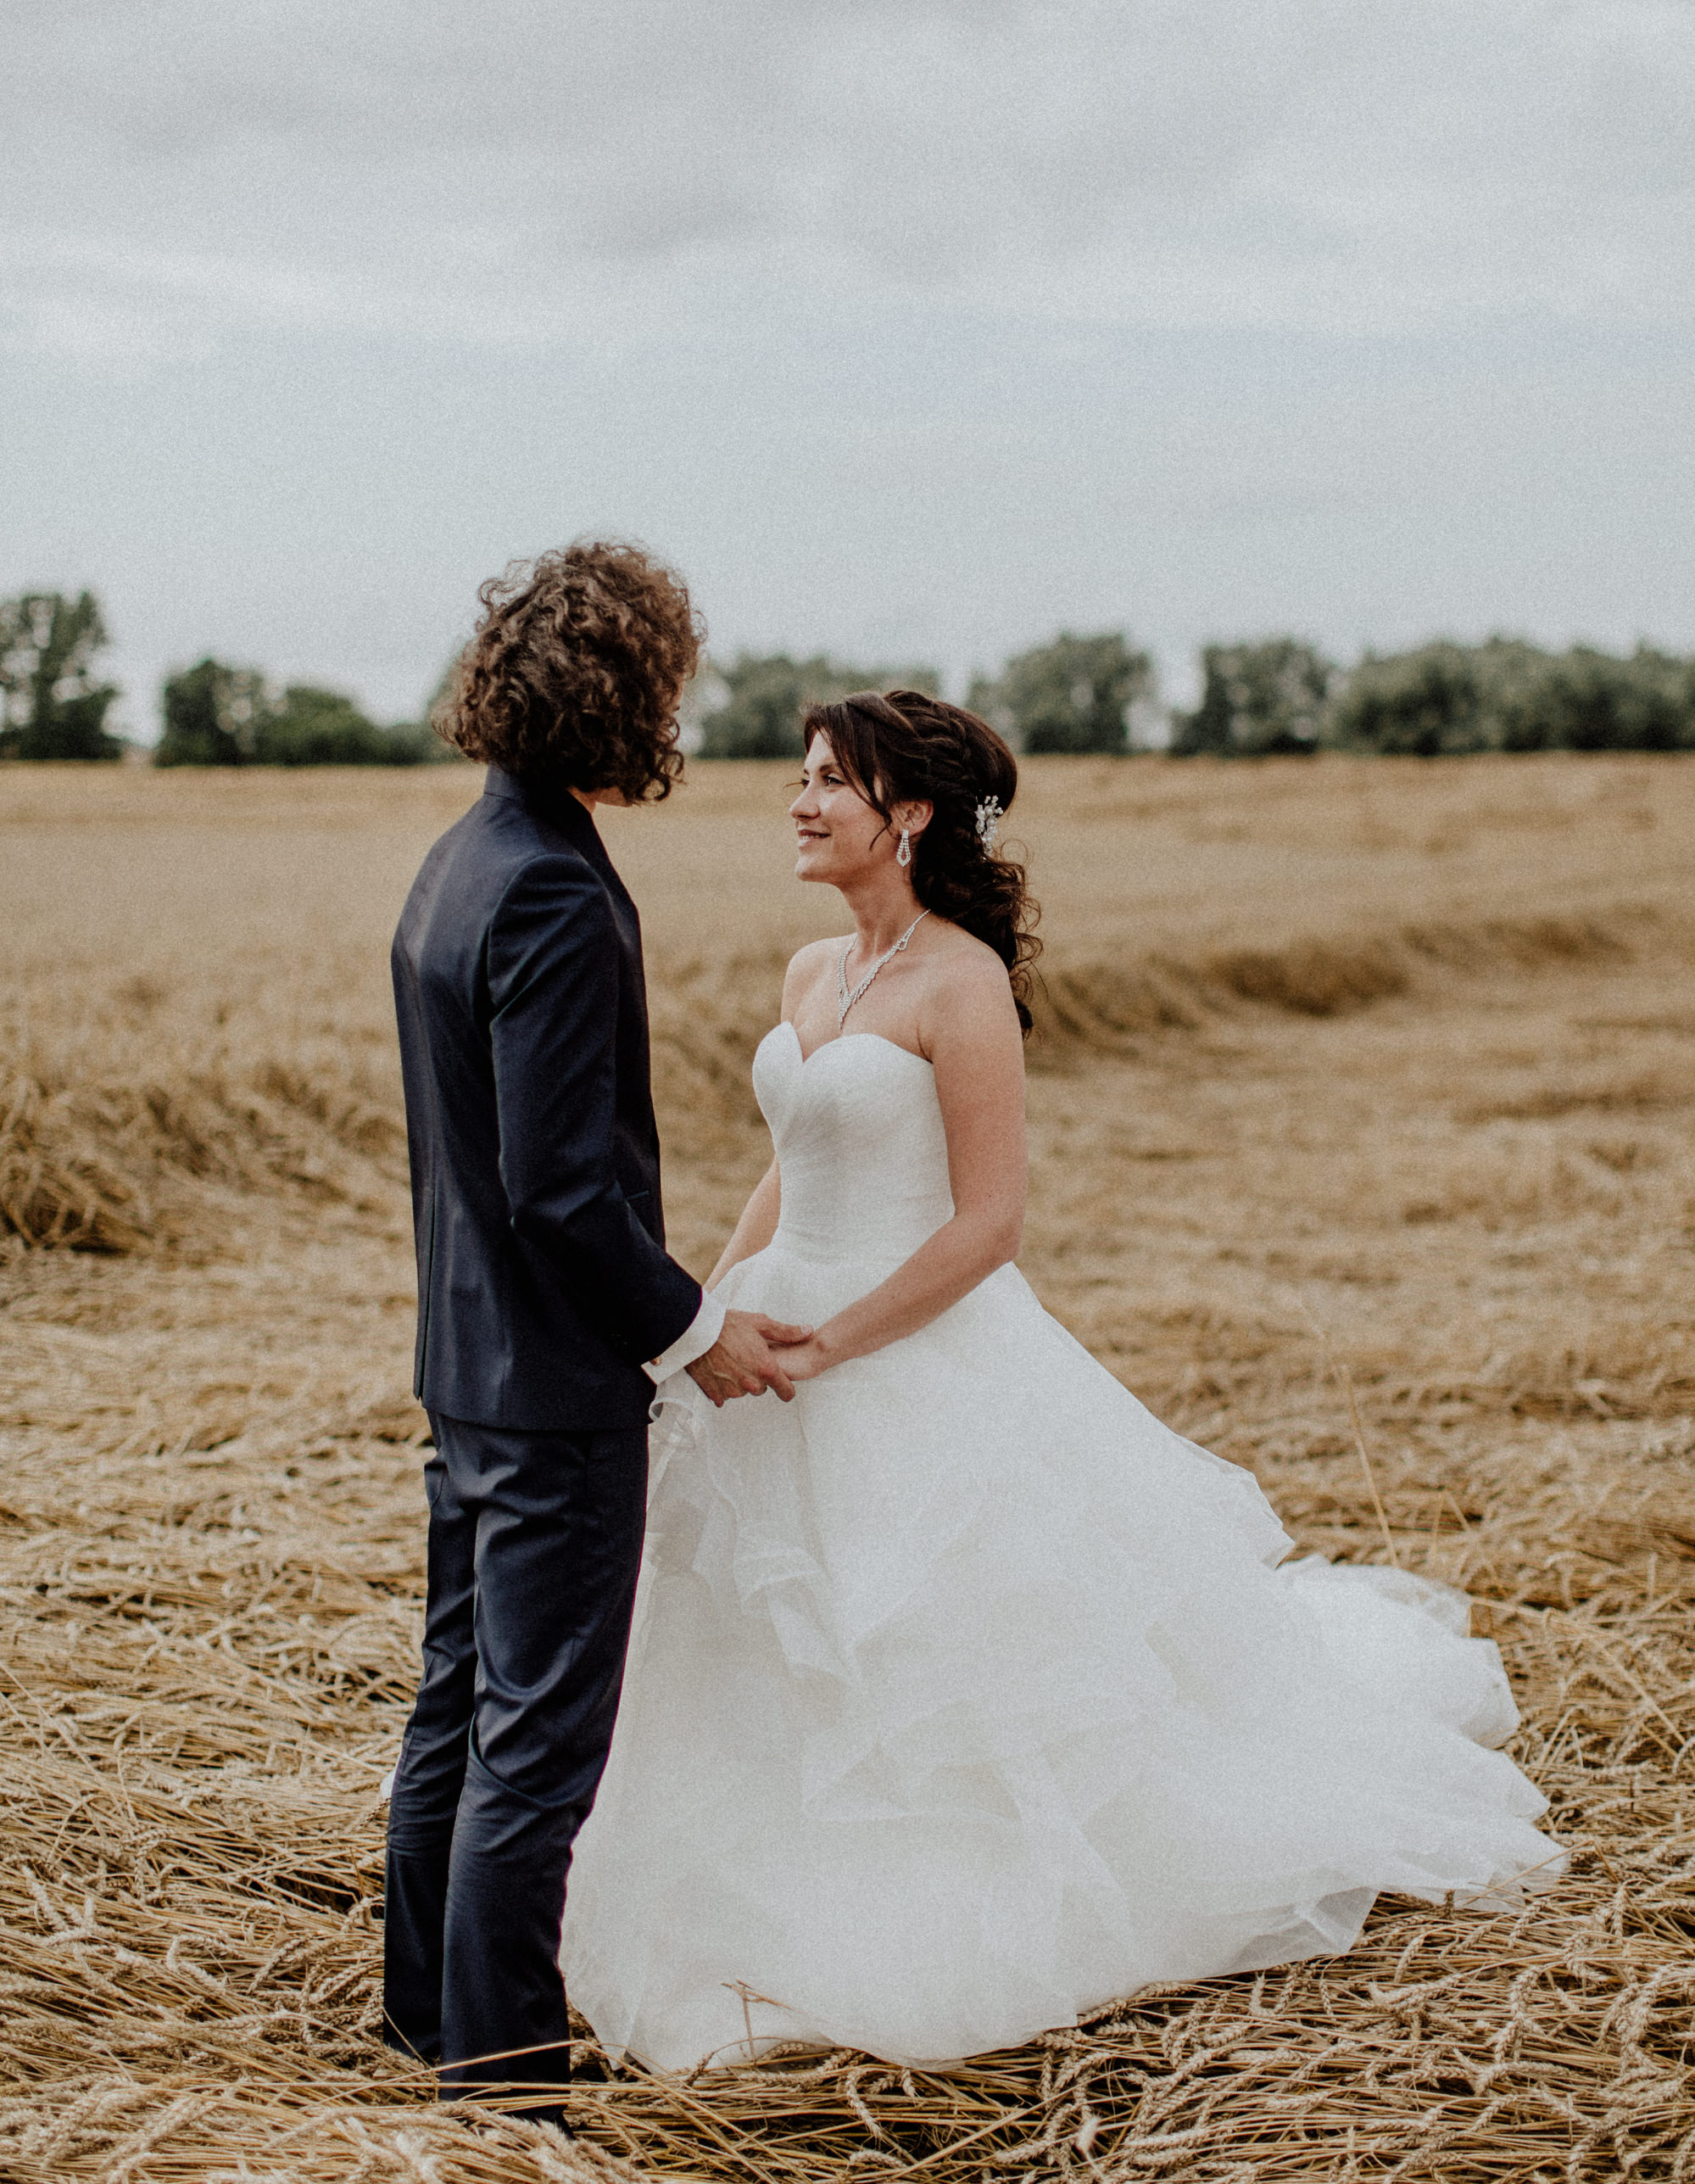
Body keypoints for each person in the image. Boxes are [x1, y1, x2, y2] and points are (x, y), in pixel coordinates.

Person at [560, 686, 1563, 2071]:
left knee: (922, 1654)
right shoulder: (811, 972)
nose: (796, 801)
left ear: (905, 813)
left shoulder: (963, 985)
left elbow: (988, 1226)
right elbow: (795, 1164)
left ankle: (911, 1936)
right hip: (767, 1346)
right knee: (753, 1631)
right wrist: (711, 1311)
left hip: (902, 1350)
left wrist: (833, 1347)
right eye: (800, 775)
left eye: (825, 782)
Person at [382, 543, 809, 2117]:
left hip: (465, 1366)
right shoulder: (555, 889)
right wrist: (695, 1333)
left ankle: (422, 2018)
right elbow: (563, 1193)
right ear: (627, 696)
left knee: (459, 1702)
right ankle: (499, 2088)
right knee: (537, 1750)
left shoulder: (462, 857)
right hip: (555, 1386)